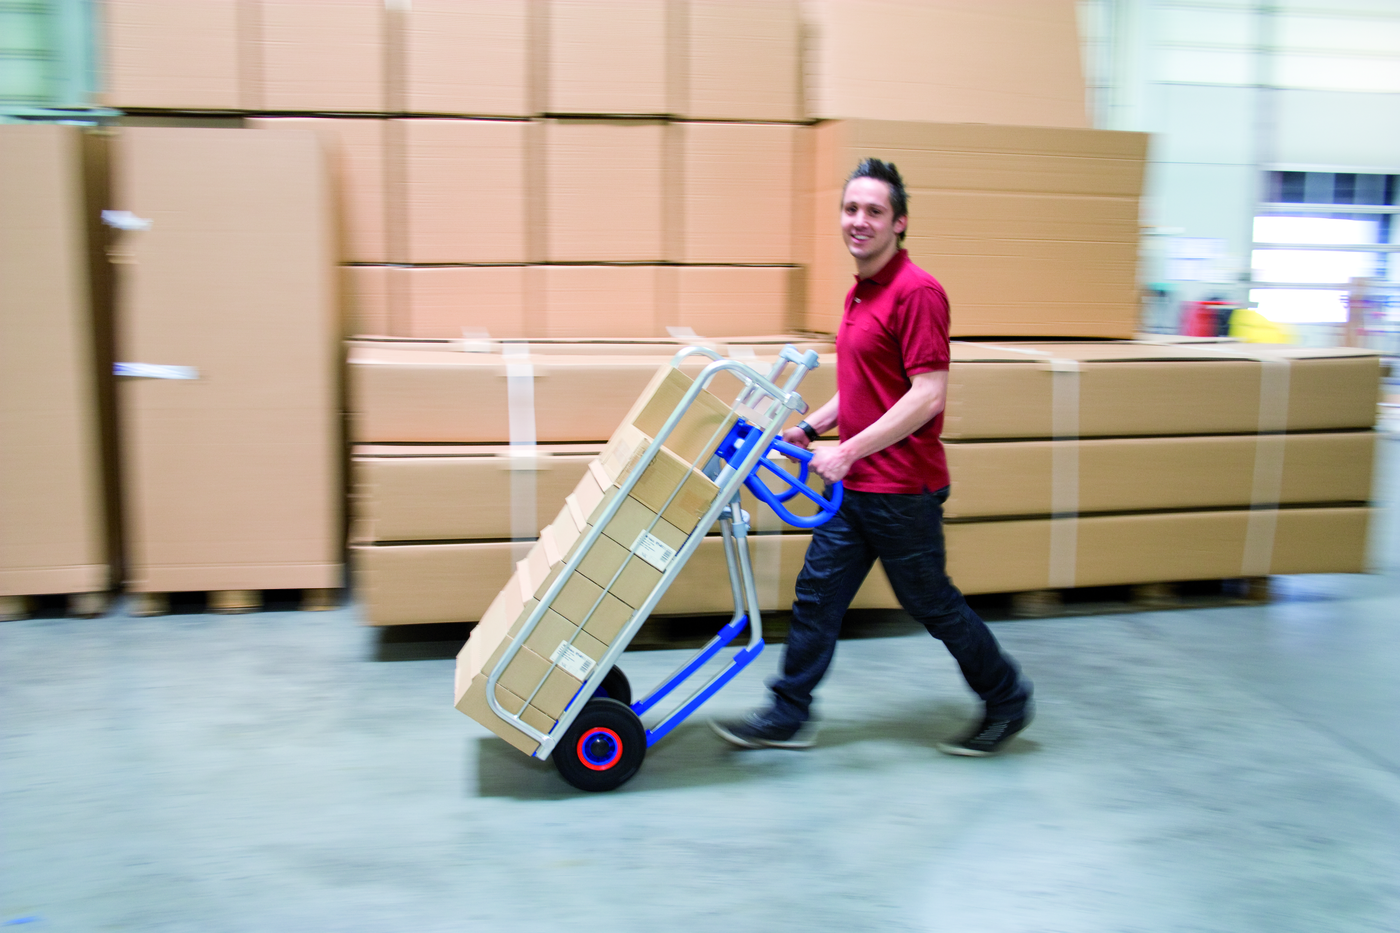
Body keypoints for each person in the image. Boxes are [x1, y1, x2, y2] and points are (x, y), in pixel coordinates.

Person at [712, 158, 1033, 756]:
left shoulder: (918, 293)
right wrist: (811, 427)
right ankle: (788, 713)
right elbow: (865, 385)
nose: (859, 221)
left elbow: (928, 393)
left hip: (902, 489)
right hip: (856, 485)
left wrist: (849, 449)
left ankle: (1008, 700)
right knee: (817, 596)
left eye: (874, 211)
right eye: (851, 209)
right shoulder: (861, 292)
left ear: (899, 222)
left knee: (931, 603)